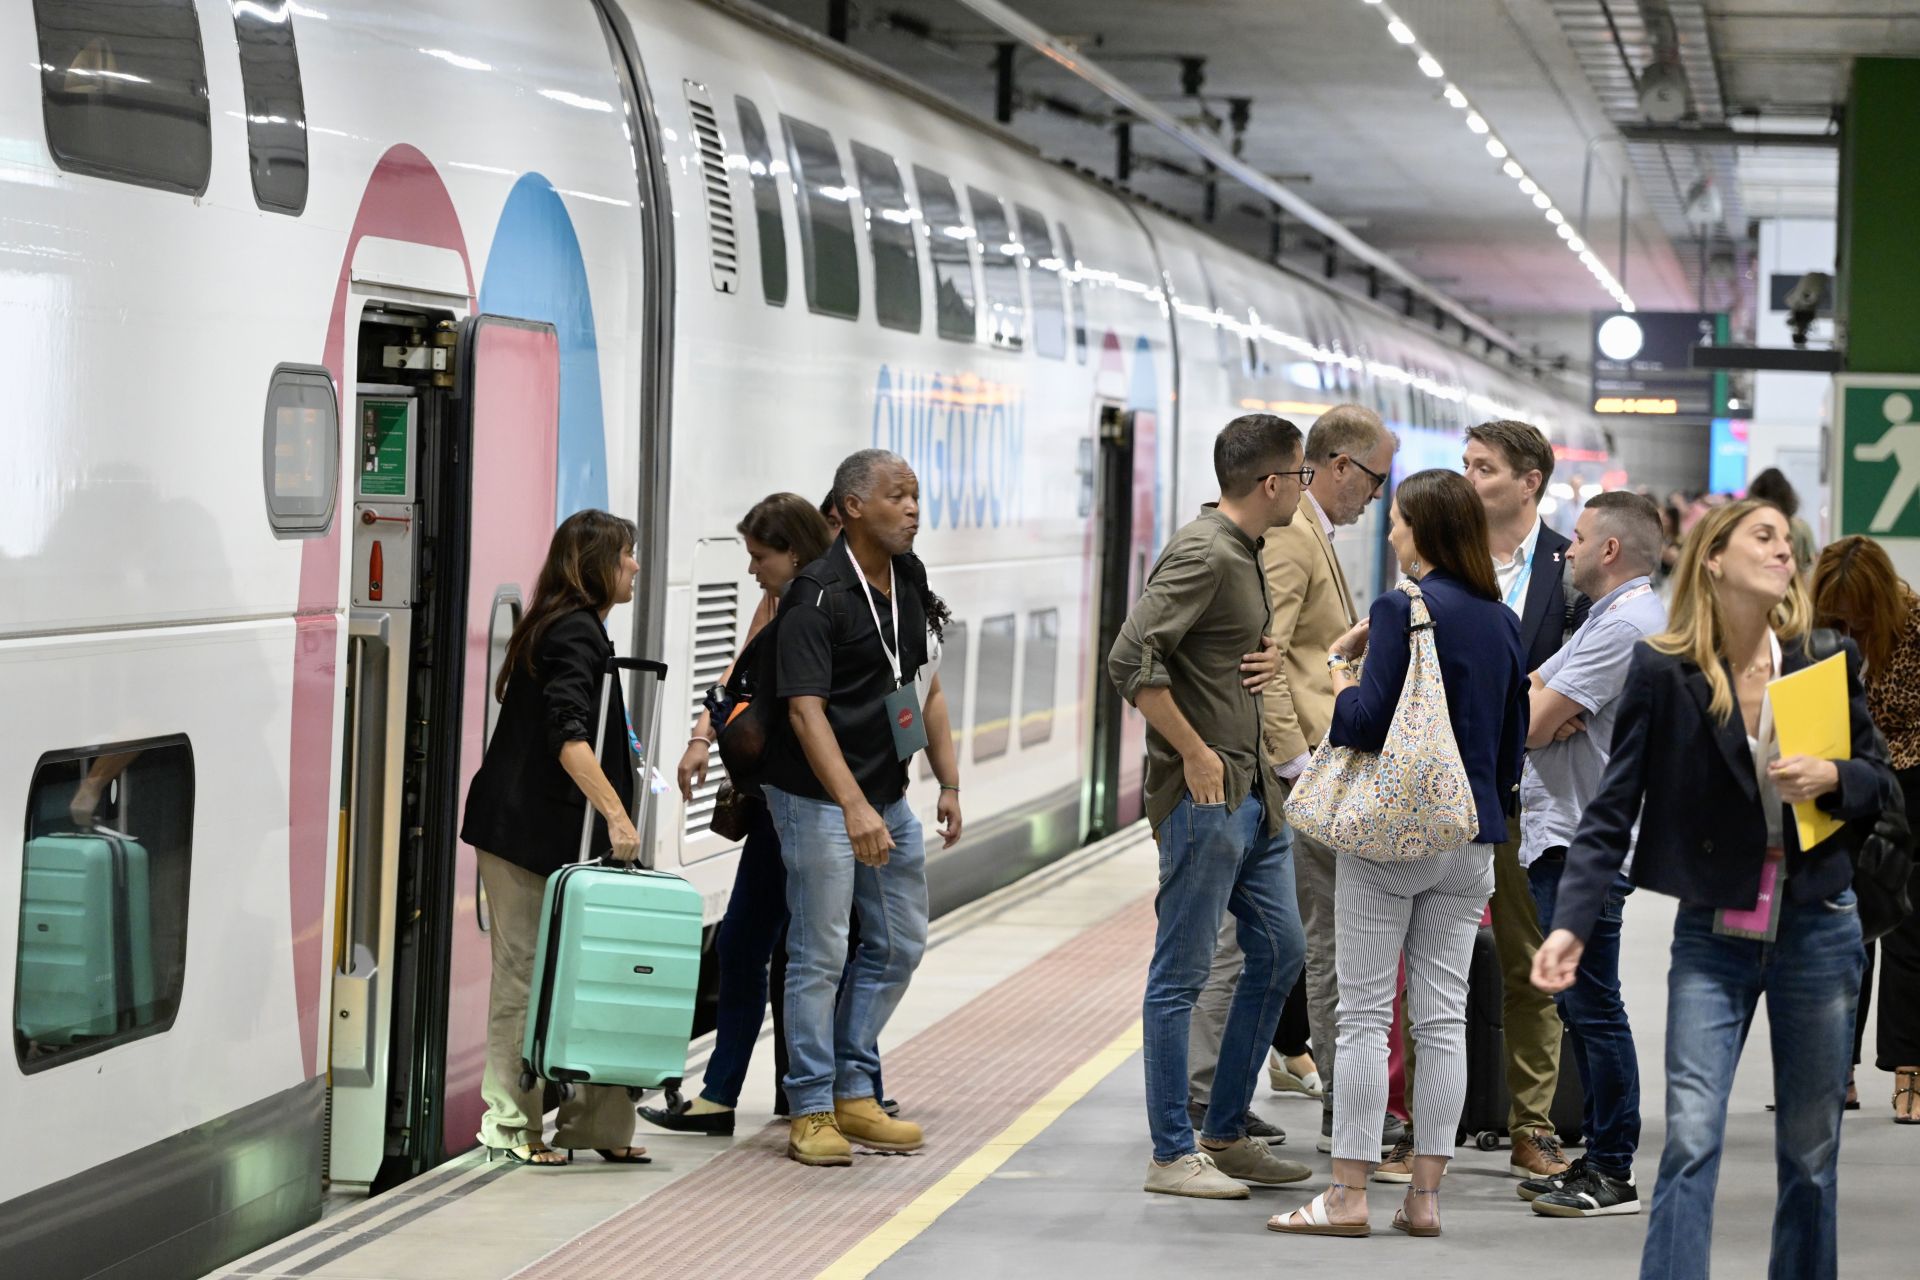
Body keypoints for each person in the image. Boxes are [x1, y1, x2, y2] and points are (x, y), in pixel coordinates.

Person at [1535, 499, 1894, 1280]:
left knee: (1810, 1152)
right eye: (1761, 535)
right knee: (1692, 1139)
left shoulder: (1822, 658)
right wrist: (1568, 924)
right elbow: (1611, 808)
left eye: (1786, 541)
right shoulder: (1666, 671)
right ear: (1714, 559)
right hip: (1713, 932)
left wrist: (1834, 775)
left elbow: (1880, 786)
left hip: (1817, 927)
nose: (1783, 549)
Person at [1270, 469, 1527, 1239]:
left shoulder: (1400, 608)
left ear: (1425, 530)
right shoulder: (1501, 619)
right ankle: (1424, 1200)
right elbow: (1513, 745)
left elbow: (1361, 723)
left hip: (1393, 839)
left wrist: (1345, 669)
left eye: (1400, 521)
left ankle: (1347, 1197)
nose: (1390, 532)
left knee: (1362, 1018)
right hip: (1470, 839)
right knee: (1442, 1020)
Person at [1108, 413, 1313, 1198]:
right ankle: (1171, 1153)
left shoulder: (1243, 551)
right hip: (1206, 796)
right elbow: (1132, 657)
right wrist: (1192, 750)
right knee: (1180, 977)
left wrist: (1251, 663)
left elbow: (1201, 648)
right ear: (1272, 483)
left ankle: (1225, 1131)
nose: (1302, 488)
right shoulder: (1204, 550)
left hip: (1252, 795)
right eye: (1298, 476)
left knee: (1280, 950)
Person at [762, 450, 962, 1166]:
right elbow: (805, 714)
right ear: (849, 508)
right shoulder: (815, 595)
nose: (911, 508)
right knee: (820, 954)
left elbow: (919, 686)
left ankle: (854, 1090)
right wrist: (853, 807)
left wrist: (948, 780)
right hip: (819, 799)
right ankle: (812, 1107)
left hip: (884, 794)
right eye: (895, 496)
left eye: (915, 495)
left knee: (901, 943)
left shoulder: (907, 578)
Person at [458, 509, 651, 1167]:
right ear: (596, 563)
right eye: (626, 555)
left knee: (577, 975)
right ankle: (511, 1125)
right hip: (527, 834)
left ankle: (593, 1125)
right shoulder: (573, 633)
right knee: (526, 975)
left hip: (554, 835)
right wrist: (619, 816)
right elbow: (568, 737)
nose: (634, 566)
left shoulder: (575, 628)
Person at [1242, 403, 1405, 1164]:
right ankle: (1344, 1117)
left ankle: (1231, 1106)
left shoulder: (1316, 533)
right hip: (1306, 773)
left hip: (1319, 769)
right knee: (1327, 949)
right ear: (1339, 465)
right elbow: (1263, 655)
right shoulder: (1291, 538)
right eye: (1374, 478)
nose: (1377, 494)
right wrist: (1294, 762)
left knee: (1304, 947)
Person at [642, 495, 833, 1136]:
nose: (752, 568)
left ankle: (744, 1095)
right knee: (768, 946)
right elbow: (737, 677)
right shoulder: (783, 603)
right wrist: (702, 737)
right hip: (778, 802)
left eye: (759, 556)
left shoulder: (816, 612)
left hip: (799, 806)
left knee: (769, 946)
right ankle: (769, 1094)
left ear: (795, 552)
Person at [1515, 492, 1669, 1218]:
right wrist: (1544, 708)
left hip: (1584, 839)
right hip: (1567, 832)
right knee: (1583, 1006)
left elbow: (1534, 720)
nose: (1565, 550)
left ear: (1610, 550)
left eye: (1575, 540)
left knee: (1593, 1005)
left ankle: (1612, 1169)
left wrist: (1547, 712)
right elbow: (1536, 697)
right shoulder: (1611, 618)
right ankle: (1598, 1157)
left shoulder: (1626, 626)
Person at [1462, 418, 1582, 1180]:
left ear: (1529, 481)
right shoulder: (1446, 556)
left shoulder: (1572, 570)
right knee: (1432, 964)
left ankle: (1532, 1124)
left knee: (1530, 964)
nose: (1471, 480)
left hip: (1529, 800)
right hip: (1446, 794)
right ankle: (1417, 1123)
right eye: (1467, 465)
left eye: (1486, 468)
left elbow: (1580, 693)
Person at [1810, 535, 1920, 1124]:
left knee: (1910, 930)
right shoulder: (1814, 631)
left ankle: (1911, 1071)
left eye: (1857, 611)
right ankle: (1837, 1071)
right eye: (1837, 613)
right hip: (1845, 786)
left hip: (1913, 786)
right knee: (1843, 932)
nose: (1848, 622)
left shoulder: (1916, 624)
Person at [1748, 468, 1819, 576]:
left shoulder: (1748, 527)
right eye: (1763, 538)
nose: (1783, 551)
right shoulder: (1800, 528)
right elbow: (1810, 564)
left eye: (1787, 539)